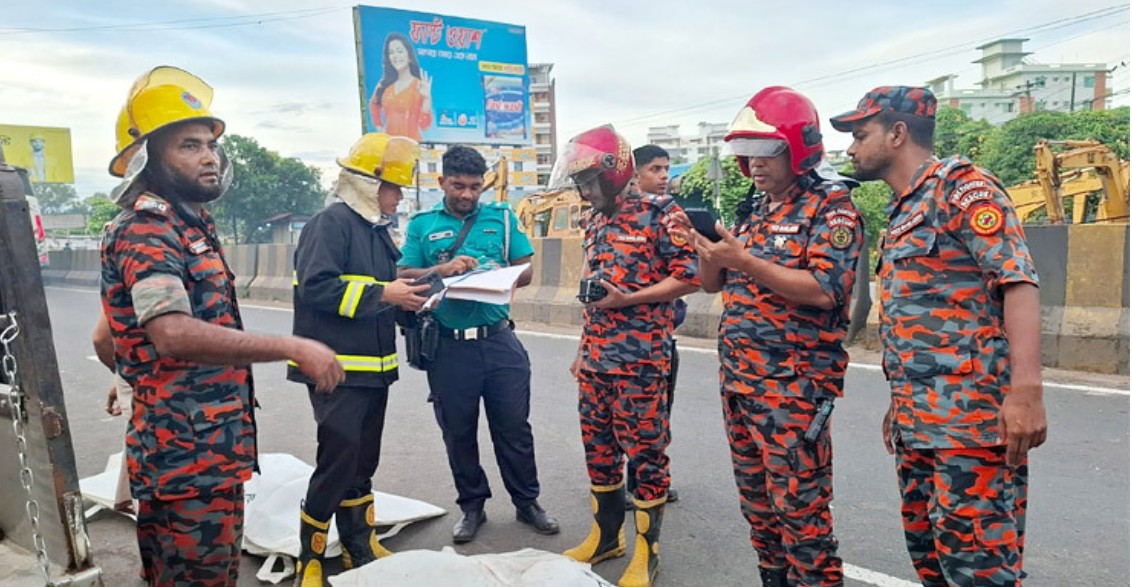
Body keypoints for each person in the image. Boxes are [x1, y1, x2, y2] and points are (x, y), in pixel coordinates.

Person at [98, 66, 345, 587]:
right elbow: (172, 332)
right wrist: (290, 345)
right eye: (190, 145)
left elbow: (107, 335)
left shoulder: (189, 222)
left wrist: (139, 377)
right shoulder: (148, 226)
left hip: (205, 451)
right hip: (187, 462)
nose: (210, 156)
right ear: (148, 156)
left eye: (211, 145)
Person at [830, 86, 1046, 587]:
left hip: (970, 425)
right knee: (931, 559)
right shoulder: (904, 208)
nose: (851, 149)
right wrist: (899, 403)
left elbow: (1017, 283)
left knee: (979, 569)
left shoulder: (963, 189)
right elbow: (923, 322)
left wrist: (1027, 392)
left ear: (898, 133)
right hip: (920, 420)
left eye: (861, 135)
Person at [678, 87, 864, 587]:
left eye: (766, 154)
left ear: (797, 149)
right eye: (747, 156)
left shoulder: (832, 209)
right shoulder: (753, 209)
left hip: (793, 390)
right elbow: (713, 284)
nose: (754, 166)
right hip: (739, 385)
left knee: (802, 518)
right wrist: (709, 252)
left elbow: (826, 290)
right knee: (760, 513)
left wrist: (745, 261)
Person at [554, 125, 700, 587]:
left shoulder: (662, 213)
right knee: (599, 454)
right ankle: (605, 538)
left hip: (640, 363)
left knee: (647, 458)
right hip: (596, 361)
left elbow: (690, 277)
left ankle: (646, 554)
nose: (583, 190)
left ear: (615, 174)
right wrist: (583, 349)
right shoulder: (593, 219)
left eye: (589, 181)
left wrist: (629, 301)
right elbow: (591, 294)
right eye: (579, 181)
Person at [288, 133, 430, 586]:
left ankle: (358, 544)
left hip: (375, 372)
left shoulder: (376, 232)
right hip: (336, 373)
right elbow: (316, 286)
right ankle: (307, 557)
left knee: (363, 462)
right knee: (338, 459)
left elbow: (380, 292)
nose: (400, 196)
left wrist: (409, 297)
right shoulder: (330, 225)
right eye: (394, 187)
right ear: (369, 184)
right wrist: (383, 292)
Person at [397, 145, 559, 544]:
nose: (467, 194)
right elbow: (404, 274)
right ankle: (472, 507)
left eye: (474, 187)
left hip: (499, 341)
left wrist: (494, 275)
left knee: (514, 428)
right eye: (458, 186)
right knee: (458, 432)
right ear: (442, 183)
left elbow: (526, 269)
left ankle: (527, 502)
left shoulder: (501, 218)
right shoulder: (422, 224)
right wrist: (442, 269)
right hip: (449, 348)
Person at [625, 144, 680, 507]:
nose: (663, 177)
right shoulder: (616, 217)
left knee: (656, 418)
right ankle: (624, 488)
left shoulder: (670, 215)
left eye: (666, 169)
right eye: (655, 169)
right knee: (619, 420)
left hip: (661, 339)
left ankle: (643, 484)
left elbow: (688, 275)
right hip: (623, 340)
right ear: (634, 175)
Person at [368, 32, 433, 141]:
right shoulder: (384, 84)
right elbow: (373, 105)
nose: (396, 56)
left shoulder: (419, 85)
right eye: (391, 52)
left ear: (409, 56)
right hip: (389, 147)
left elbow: (424, 126)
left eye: (400, 51)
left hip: (412, 148)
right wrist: (379, 126)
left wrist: (427, 98)